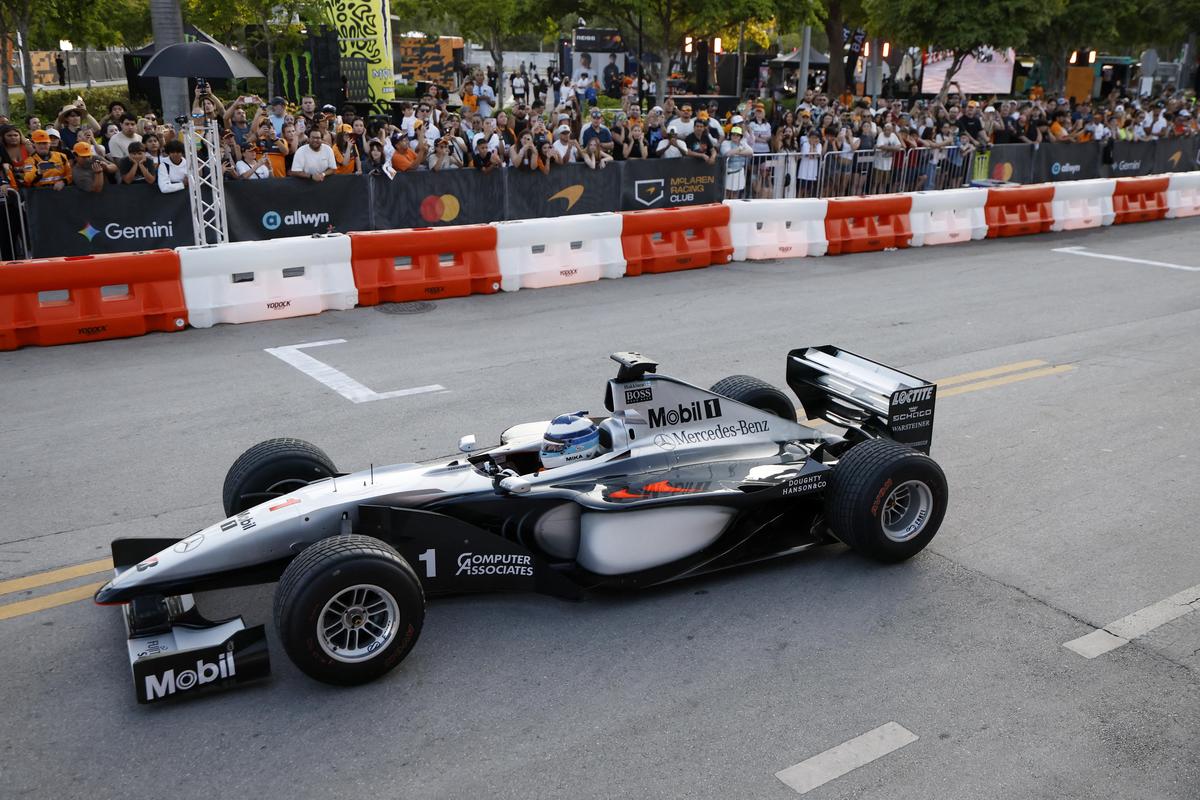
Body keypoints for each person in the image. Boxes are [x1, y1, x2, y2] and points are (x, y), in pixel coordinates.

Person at [721, 127, 753, 198]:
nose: (735, 136)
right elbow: (727, 153)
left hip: (739, 171)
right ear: (730, 135)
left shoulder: (743, 143)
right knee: (727, 193)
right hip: (729, 171)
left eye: (737, 135)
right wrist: (740, 149)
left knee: (736, 193)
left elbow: (750, 151)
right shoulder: (726, 143)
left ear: (740, 137)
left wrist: (737, 152)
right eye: (733, 134)